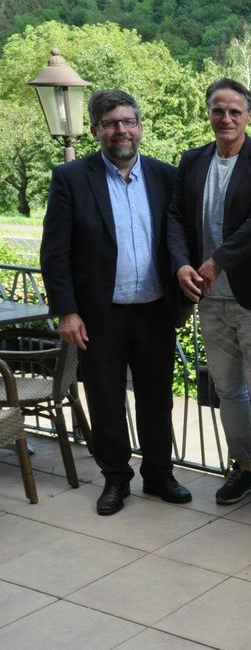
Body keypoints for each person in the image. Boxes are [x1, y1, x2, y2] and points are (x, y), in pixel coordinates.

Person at [40, 89, 191, 515]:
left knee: (157, 398)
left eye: (127, 122)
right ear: (95, 131)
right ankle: (116, 479)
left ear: (140, 127)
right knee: (106, 399)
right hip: (98, 315)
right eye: (111, 124)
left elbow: (180, 238)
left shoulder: (166, 176)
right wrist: (67, 311)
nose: (120, 131)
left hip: (155, 310)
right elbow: (55, 253)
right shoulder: (71, 179)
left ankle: (159, 474)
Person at [167, 78, 251, 519]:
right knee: (227, 389)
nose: (227, 118)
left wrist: (217, 260)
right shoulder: (193, 161)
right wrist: (183, 264)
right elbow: (176, 217)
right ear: (209, 114)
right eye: (219, 110)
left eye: (235, 111)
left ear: (249, 115)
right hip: (207, 297)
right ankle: (242, 468)